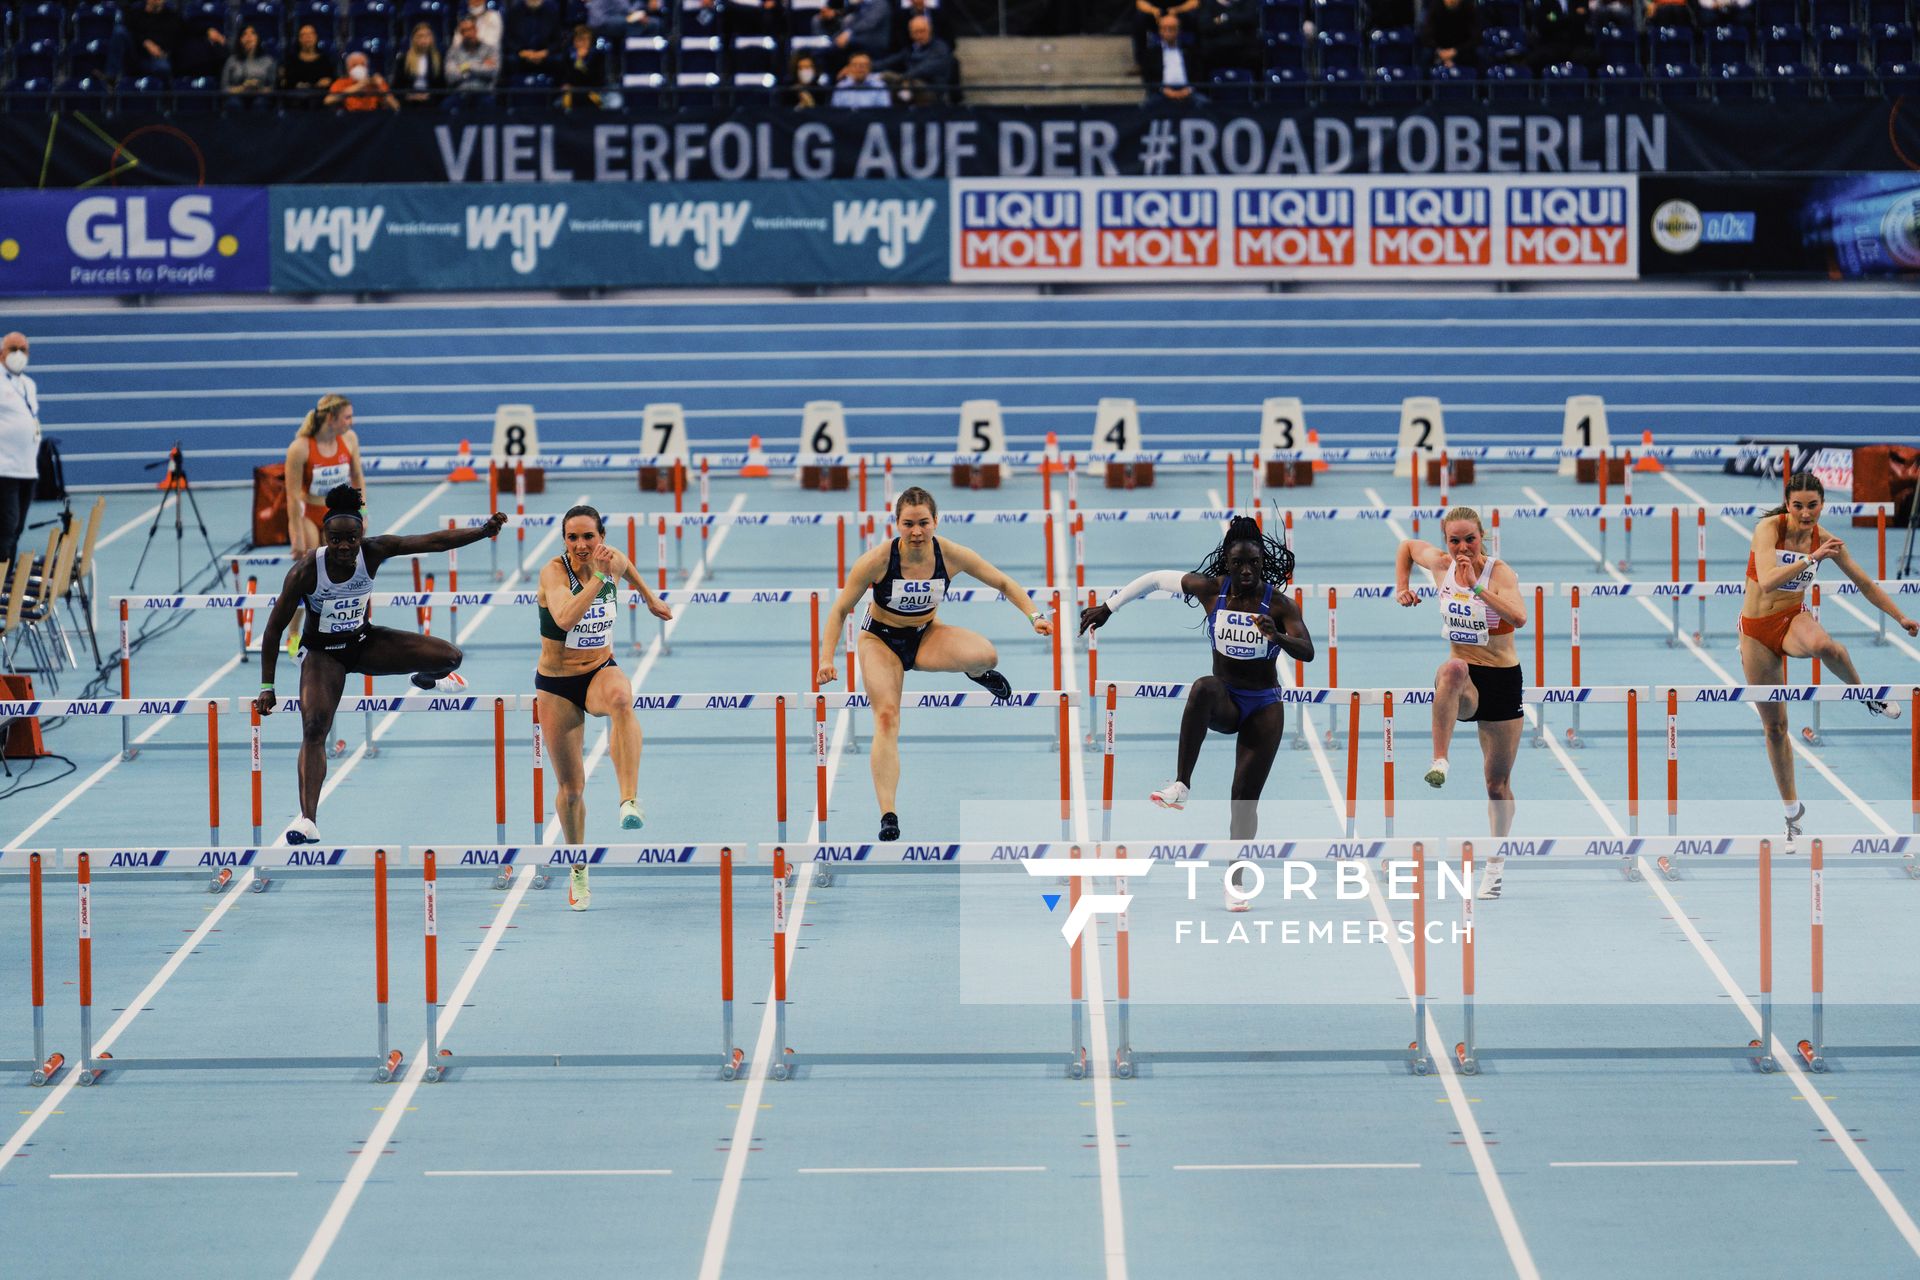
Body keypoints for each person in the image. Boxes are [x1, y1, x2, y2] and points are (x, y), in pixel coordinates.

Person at [1080, 517, 1312, 908]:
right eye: (1237, 563)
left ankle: (1236, 882)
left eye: (1253, 563)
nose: (1245, 571)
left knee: (1243, 801)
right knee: (1203, 685)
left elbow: (1307, 651)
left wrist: (1278, 635)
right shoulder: (1210, 591)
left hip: (1263, 706)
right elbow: (1155, 578)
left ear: (1261, 562)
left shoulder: (1279, 604)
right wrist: (1109, 607)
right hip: (1226, 698)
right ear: (1227, 561)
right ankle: (1181, 785)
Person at [255, 487, 507, 844]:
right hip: (324, 656)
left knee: (450, 656)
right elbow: (273, 629)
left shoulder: (373, 551)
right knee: (314, 728)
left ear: (361, 536)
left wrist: (482, 532)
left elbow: (432, 542)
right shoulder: (306, 571)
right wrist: (267, 687)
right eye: (336, 539)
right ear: (325, 536)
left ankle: (425, 678)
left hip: (365, 643)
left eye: (351, 539)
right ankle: (307, 820)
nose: (344, 547)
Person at [816, 487, 1051, 843]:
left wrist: (1034, 616)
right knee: (886, 718)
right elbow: (838, 610)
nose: (916, 532)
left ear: (935, 522)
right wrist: (825, 658)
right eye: (908, 524)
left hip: (926, 636)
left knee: (986, 654)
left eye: (923, 523)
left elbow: (1002, 581)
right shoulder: (877, 561)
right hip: (880, 641)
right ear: (896, 524)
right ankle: (888, 814)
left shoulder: (951, 555)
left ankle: (978, 675)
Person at [1739, 471, 1918, 841]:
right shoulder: (1769, 530)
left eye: (1813, 506)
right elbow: (1769, 579)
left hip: (1791, 619)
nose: (1806, 514)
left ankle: (1865, 694)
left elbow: (1865, 584)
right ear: (1787, 505)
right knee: (1775, 728)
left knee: (1828, 647)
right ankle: (1793, 813)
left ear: (1823, 504)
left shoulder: (1826, 540)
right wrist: (1812, 559)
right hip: (1756, 631)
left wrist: (1900, 616)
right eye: (1799, 506)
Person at [536, 505, 674, 909]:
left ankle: (629, 799)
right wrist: (598, 577)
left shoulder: (611, 560)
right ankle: (578, 868)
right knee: (572, 789)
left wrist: (650, 598)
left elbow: (627, 566)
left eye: (588, 537)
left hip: (599, 669)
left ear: (601, 537)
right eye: (572, 537)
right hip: (557, 685)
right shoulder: (554, 573)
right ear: (564, 540)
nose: (581, 545)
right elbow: (563, 619)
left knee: (621, 699)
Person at [1394, 507, 1528, 900]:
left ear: (1482, 536)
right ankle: (1440, 759)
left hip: (1502, 679)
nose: (1462, 547)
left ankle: (1496, 865)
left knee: (1496, 785)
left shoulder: (1498, 573)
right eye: (1455, 540)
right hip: (1467, 680)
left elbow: (1520, 617)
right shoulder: (1439, 565)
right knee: (1451, 668)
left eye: (1470, 538)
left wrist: (1477, 588)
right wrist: (1401, 585)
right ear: (1446, 541)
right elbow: (1406, 546)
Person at [284, 395, 365, 654]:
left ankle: (335, 626)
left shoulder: (349, 440)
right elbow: (292, 497)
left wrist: (361, 512)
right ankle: (294, 632)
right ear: (331, 419)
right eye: (347, 417)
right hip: (310, 513)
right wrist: (296, 536)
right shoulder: (300, 448)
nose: (351, 422)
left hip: (340, 516)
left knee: (341, 575)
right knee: (309, 572)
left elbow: (357, 476)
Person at [0, 332, 39, 570]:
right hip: (4, 469)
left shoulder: (28, 384)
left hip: (27, 469)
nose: (18, 354)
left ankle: (7, 581)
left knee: (16, 529)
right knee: (5, 527)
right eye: (13, 348)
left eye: (23, 349)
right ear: (2, 352)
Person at [874, 14, 955, 104]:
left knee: (909, 83)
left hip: (932, 90)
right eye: (916, 32)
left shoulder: (940, 48)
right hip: (907, 82)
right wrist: (868, 66)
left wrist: (903, 77)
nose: (919, 36)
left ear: (930, 30)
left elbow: (924, 69)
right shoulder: (911, 49)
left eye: (922, 31)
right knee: (885, 76)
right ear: (911, 34)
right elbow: (890, 61)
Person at [1140, 12, 1200, 102]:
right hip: (1161, 92)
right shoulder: (1151, 53)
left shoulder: (1190, 50)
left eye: (1171, 28)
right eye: (1164, 28)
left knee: (1205, 105)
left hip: (1188, 92)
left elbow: (1198, 73)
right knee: (1145, 107)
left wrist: (1188, 90)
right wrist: (1164, 90)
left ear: (1178, 30)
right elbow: (1148, 78)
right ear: (1159, 31)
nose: (1168, 32)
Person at [506, 0, 564, 82]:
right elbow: (508, 38)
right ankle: (511, 93)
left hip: (545, 54)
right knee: (510, 60)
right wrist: (521, 52)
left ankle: (555, 94)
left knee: (559, 60)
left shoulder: (552, 11)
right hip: (521, 54)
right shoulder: (515, 11)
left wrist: (545, 52)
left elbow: (558, 39)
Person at [281, 23, 338, 104]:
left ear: (316, 37)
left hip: (320, 99)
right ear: (299, 39)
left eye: (311, 34)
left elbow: (332, 80)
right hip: (296, 99)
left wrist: (327, 81)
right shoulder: (291, 59)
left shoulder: (326, 60)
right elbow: (287, 82)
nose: (308, 37)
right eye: (304, 35)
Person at [326, 49, 400, 109]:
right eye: (354, 65)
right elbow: (328, 100)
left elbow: (396, 107)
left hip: (372, 119)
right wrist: (359, 86)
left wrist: (381, 86)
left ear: (367, 67)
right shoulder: (341, 82)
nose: (359, 67)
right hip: (349, 119)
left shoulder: (375, 83)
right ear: (348, 69)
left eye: (362, 64)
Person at [446, 16, 501, 94]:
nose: (468, 33)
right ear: (461, 34)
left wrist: (466, 67)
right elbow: (450, 76)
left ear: (476, 30)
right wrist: (480, 66)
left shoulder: (489, 49)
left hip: (484, 92)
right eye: (464, 31)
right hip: (460, 93)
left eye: (471, 29)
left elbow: (493, 72)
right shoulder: (453, 51)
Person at [395, 22, 444, 108]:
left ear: (432, 38)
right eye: (420, 36)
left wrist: (429, 95)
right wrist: (410, 96)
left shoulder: (438, 58)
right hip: (409, 98)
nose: (424, 39)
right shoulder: (404, 58)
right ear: (414, 39)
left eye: (427, 36)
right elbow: (397, 84)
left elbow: (442, 84)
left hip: (431, 97)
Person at [1419, 0, 1481, 67]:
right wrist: (1440, 52)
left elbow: (1476, 38)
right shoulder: (1435, 7)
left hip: (1461, 50)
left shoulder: (1469, 8)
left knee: (1479, 53)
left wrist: (1456, 51)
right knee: (1425, 53)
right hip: (1438, 50)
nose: (1452, 1)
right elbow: (1426, 36)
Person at [222, 24, 276, 99]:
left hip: (262, 98)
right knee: (234, 103)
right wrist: (243, 88)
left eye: (253, 33)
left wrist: (259, 89)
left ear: (258, 38)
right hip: (236, 97)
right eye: (244, 34)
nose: (249, 37)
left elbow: (274, 88)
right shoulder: (232, 60)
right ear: (240, 39)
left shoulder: (268, 61)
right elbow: (224, 89)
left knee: (260, 103)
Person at [558, 24, 605, 108]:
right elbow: (566, 78)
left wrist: (581, 64)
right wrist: (578, 59)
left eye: (587, 40)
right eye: (580, 40)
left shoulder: (597, 56)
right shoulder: (568, 56)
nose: (584, 43)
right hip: (573, 91)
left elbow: (598, 80)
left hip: (592, 91)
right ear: (574, 42)